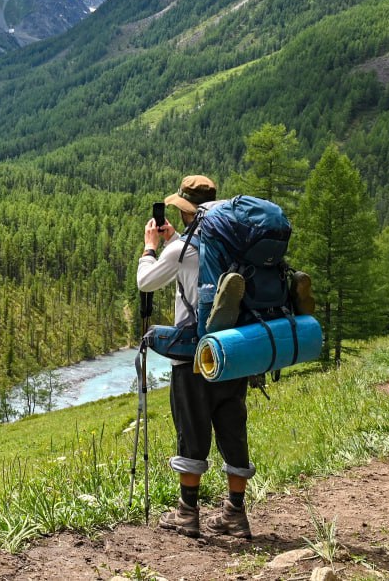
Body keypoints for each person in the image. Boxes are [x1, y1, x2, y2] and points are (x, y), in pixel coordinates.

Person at [136, 174, 254, 539]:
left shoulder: (182, 250)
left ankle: (187, 513)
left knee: (192, 431)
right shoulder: (234, 245)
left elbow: (146, 282)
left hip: (193, 356)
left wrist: (150, 248)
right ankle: (236, 514)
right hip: (233, 351)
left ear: (187, 210)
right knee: (232, 429)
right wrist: (175, 240)